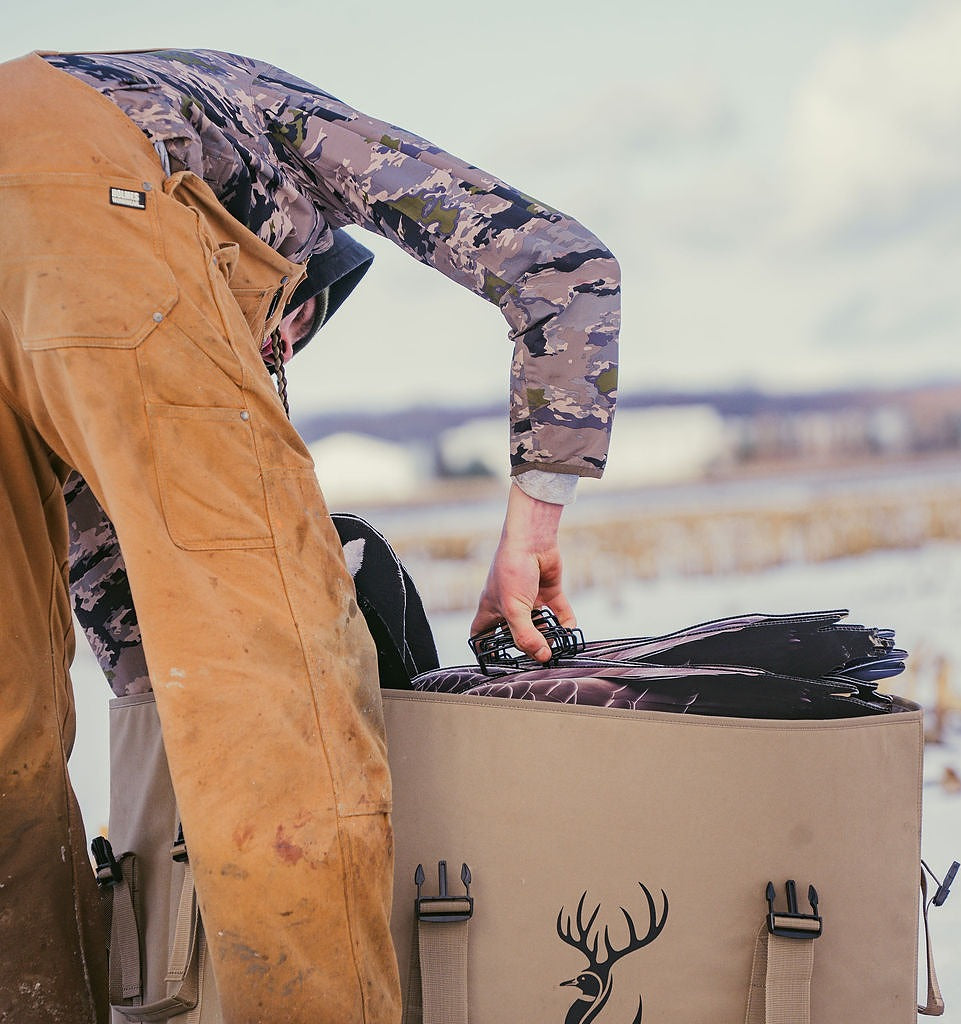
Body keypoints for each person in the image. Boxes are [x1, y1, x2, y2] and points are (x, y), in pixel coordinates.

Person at [0, 49, 619, 1024]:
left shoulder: (66, 335)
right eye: (285, 333)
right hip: (97, 189)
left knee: (8, 743)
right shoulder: (278, 120)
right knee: (282, 713)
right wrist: (532, 531)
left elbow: (133, 638)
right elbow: (563, 264)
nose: (274, 356)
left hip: (52, 199)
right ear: (285, 271)